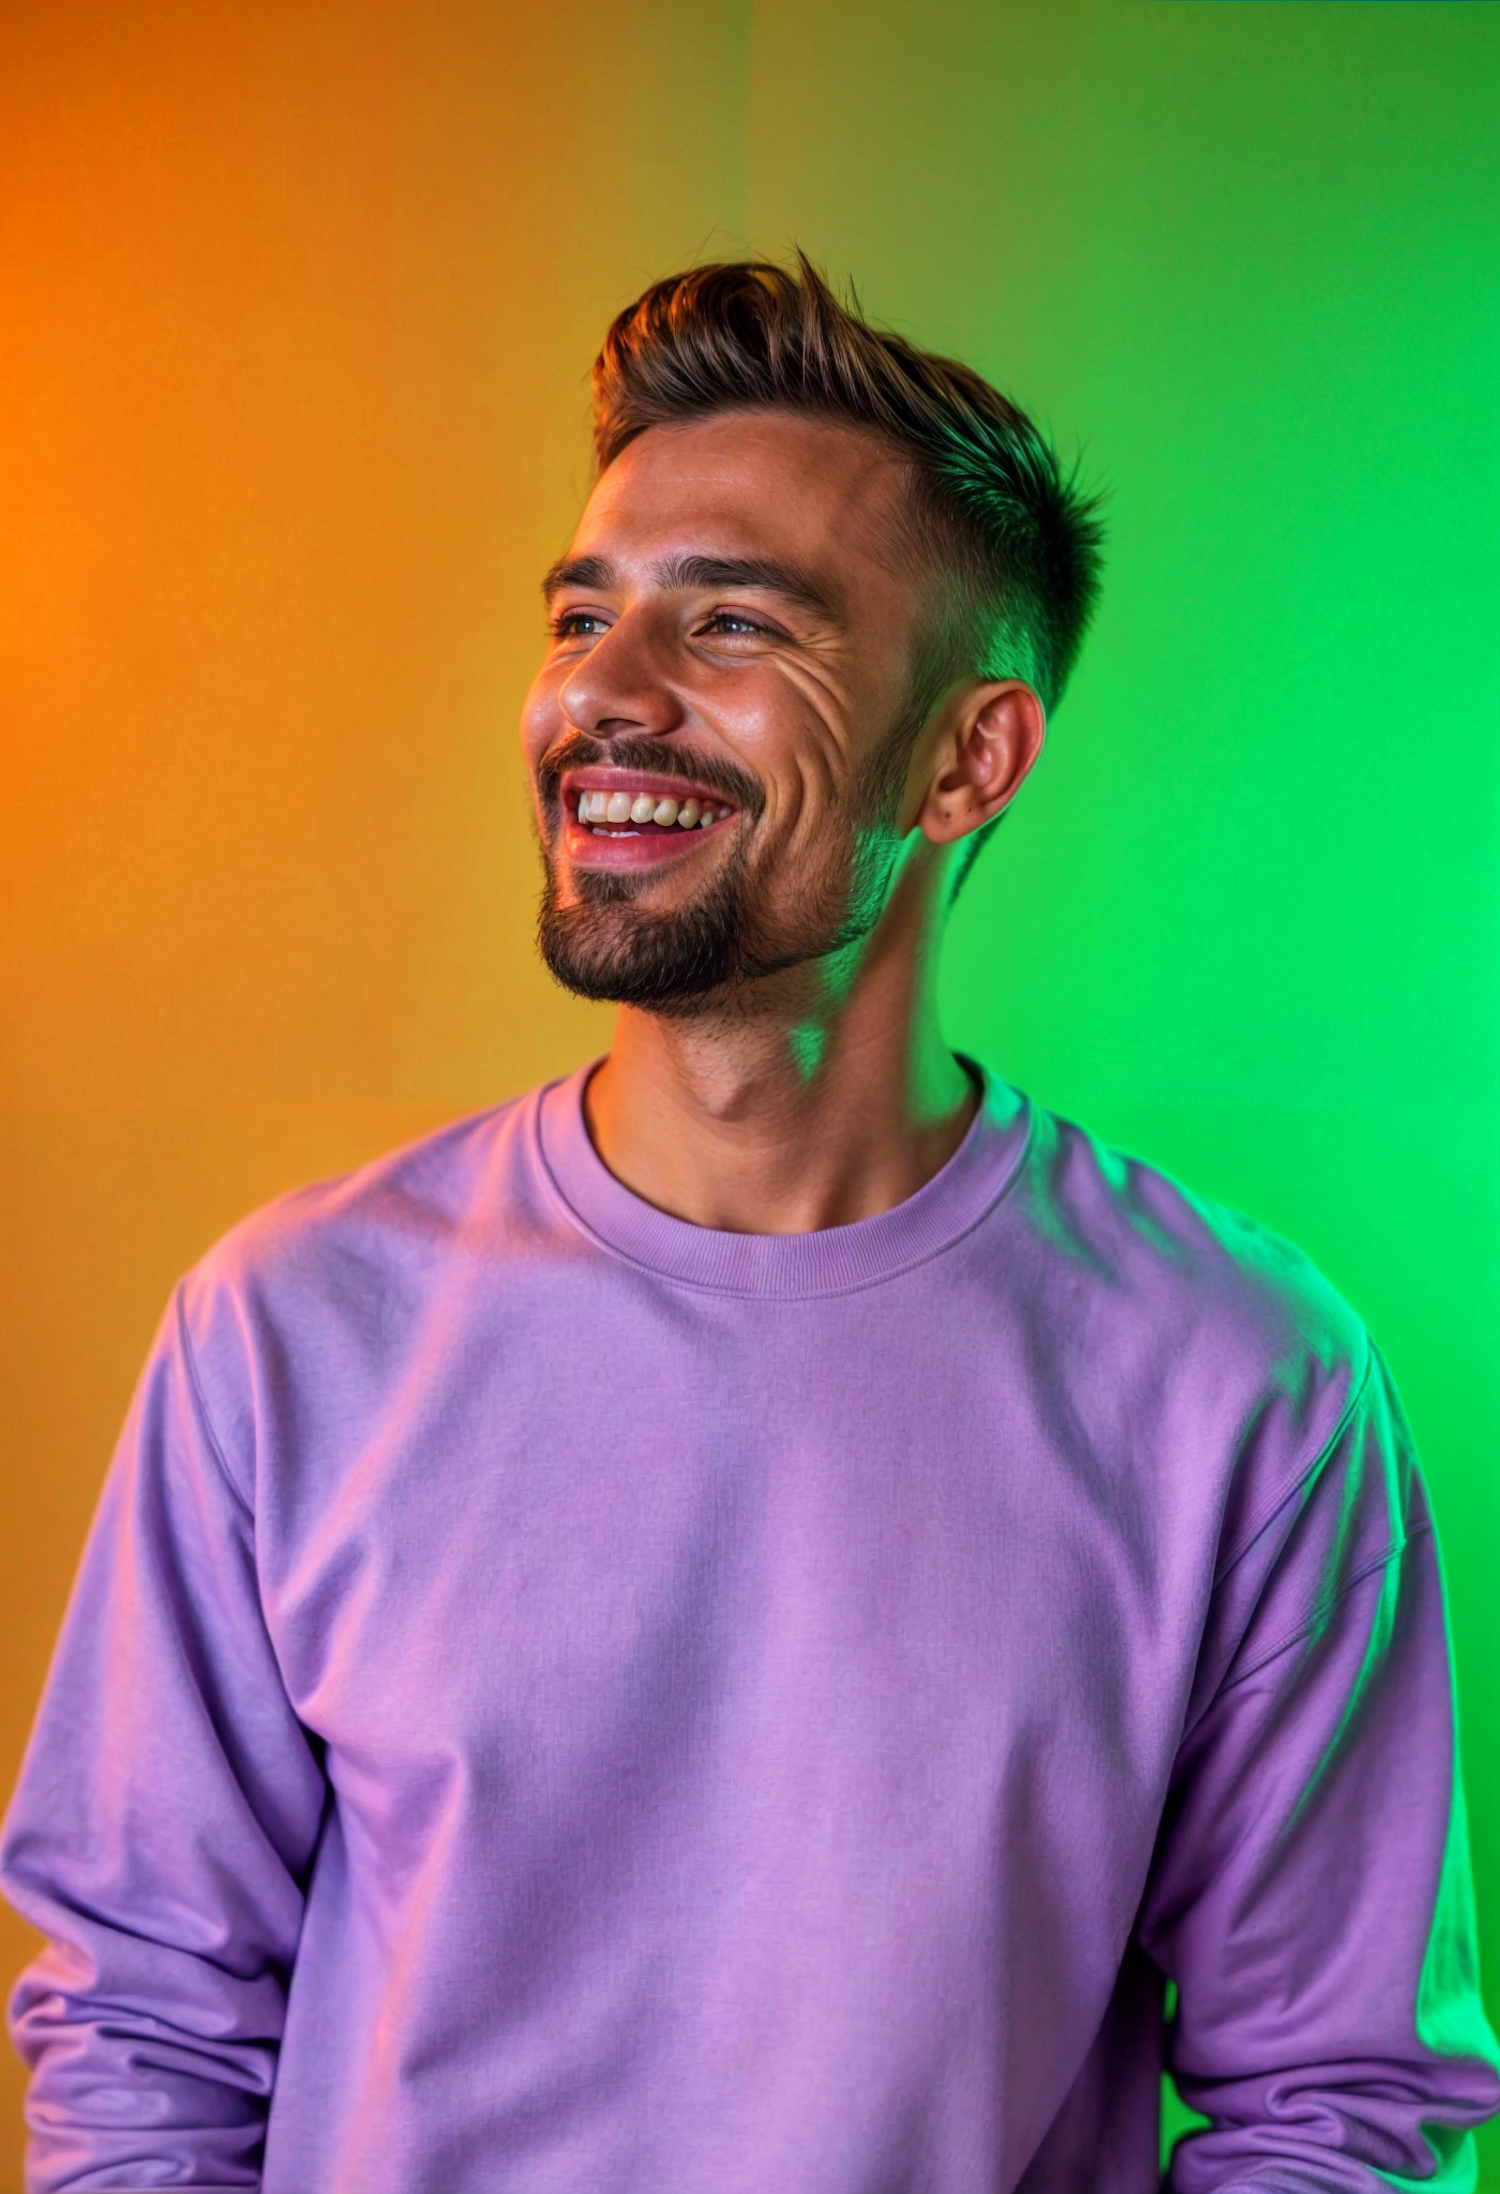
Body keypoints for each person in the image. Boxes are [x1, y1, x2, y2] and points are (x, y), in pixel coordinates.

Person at [2, 255, 1497, 2194]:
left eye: (731, 624)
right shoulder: (287, 1328)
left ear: (971, 757)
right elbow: (138, 2034)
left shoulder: (1244, 1381)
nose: (604, 695)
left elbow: (1342, 2103)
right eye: (580, 613)